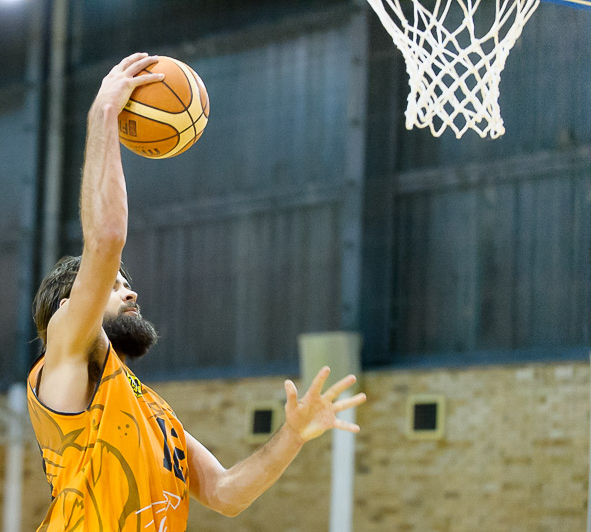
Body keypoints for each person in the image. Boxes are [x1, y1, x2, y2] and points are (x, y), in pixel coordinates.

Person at [26, 52, 367, 532]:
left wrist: (292, 435)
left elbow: (226, 494)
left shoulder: (154, 411)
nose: (130, 293)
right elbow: (105, 239)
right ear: (68, 308)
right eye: (114, 285)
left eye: (127, 284)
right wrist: (103, 114)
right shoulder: (65, 356)